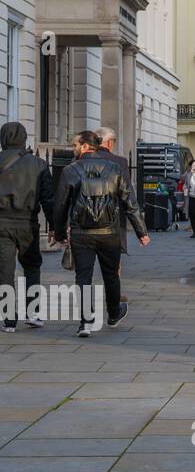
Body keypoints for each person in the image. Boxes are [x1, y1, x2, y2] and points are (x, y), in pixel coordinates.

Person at [52, 130, 149, 337]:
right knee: (111, 275)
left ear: (86, 146)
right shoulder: (115, 168)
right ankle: (114, 314)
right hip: (109, 232)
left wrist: (59, 233)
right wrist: (141, 232)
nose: (73, 149)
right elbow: (130, 203)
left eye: (75, 145)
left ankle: (86, 322)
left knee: (83, 276)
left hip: (81, 233)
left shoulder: (70, 170)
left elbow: (60, 205)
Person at [0, 122, 54, 331]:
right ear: (23, 139)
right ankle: (33, 312)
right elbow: (48, 199)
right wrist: (55, 227)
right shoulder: (38, 164)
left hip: (1, 223)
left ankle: (9, 318)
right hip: (27, 222)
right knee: (32, 267)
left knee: (4, 271)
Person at [93, 127, 132, 302]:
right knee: (114, 260)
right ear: (109, 142)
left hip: (87, 217)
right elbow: (127, 194)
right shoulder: (120, 162)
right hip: (114, 218)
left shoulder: (82, 160)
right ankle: (114, 293)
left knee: (86, 262)